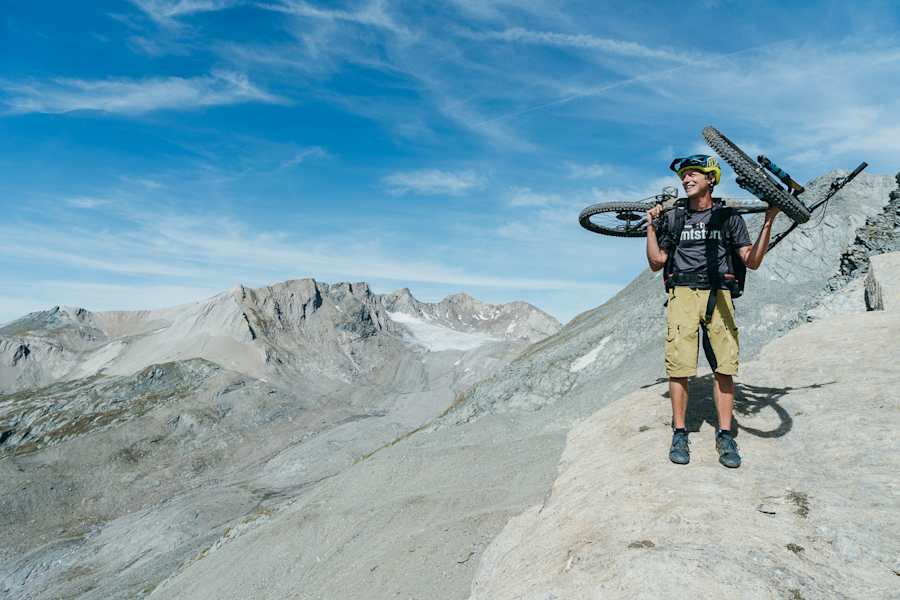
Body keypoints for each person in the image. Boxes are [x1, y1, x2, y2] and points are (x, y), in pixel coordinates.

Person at [645, 154, 780, 468]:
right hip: (682, 293)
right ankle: (679, 432)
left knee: (724, 366)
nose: (686, 179)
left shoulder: (729, 217)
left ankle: (724, 434)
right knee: (678, 366)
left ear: (711, 179)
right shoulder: (674, 217)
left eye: (694, 174)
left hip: (720, 293)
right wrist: (651, 228)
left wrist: (769, 220)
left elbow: (752, 260)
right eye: (684, 176)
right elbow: (656, 262)